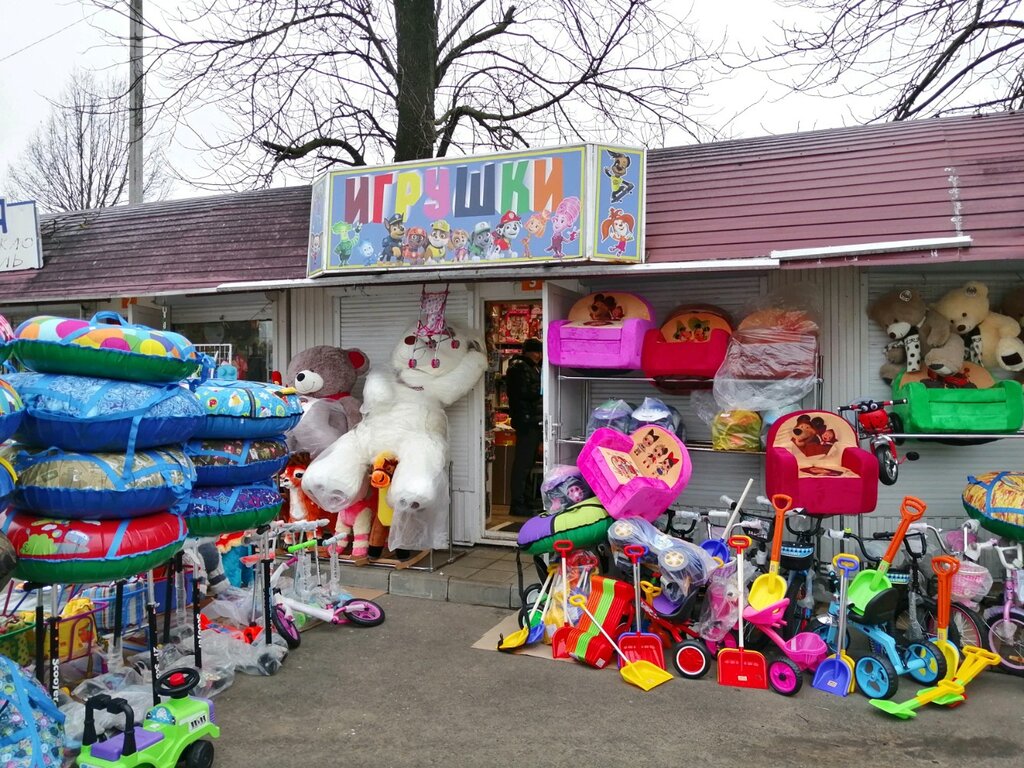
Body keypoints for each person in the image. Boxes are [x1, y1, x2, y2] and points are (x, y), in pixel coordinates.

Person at [505, 337, 543, 516]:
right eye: (536, 352)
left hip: (531, 420)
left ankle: (526, 500)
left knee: (527, 463)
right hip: (526, 421)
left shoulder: (530, 367)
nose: (539, 355)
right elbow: (524, 392)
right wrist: (541, 389)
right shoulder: (519, 368)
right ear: (529, 352)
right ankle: (518, 503)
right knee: (523, 464)